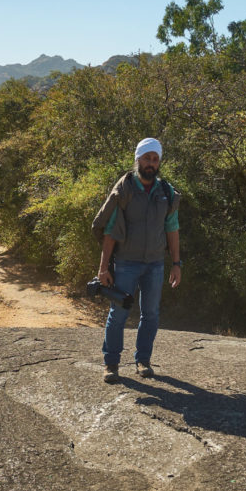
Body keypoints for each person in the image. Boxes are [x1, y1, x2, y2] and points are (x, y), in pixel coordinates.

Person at [92, 138, 181, 383]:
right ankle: (111, 363)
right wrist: (103, 268)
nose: (151, 163)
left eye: (155, 159)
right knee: (118, 314)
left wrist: (176, 263)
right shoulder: (126, 189)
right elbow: (110, 232)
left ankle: (143, 360)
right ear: (137, 159)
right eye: (147, 158)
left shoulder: (166, 192)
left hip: (155, 264)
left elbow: (172, 229)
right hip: (126, 264)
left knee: (150, 314)